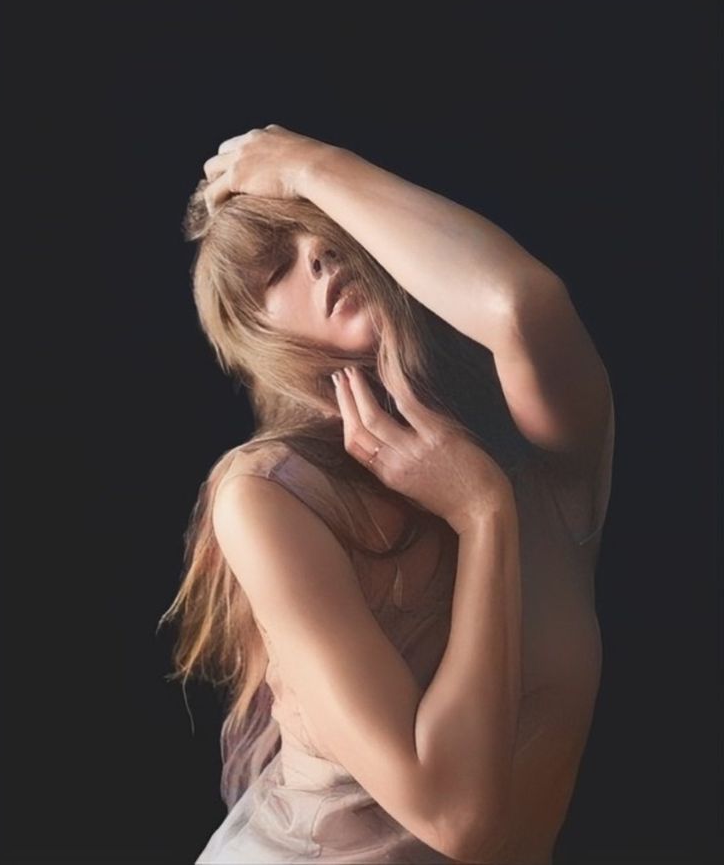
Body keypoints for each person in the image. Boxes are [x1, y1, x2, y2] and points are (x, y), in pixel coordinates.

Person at [157, 124, 615, 864]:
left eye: (328, 230)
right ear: (258, 333)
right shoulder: (273, 497)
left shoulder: (542, 454)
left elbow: (524, 306)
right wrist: (479, 513)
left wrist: (312, 166)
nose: (318, 255)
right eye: (277, 266)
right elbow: (455, 816)